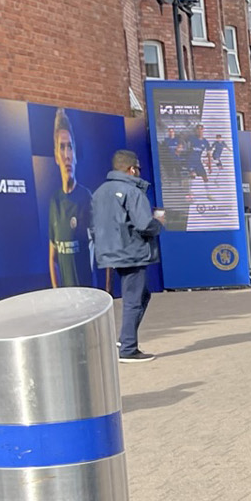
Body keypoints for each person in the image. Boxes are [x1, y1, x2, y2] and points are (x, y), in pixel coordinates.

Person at [90, 149, 166, 363]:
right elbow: (144, 224)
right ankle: (128, 348)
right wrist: (158, 222)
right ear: (132, 169)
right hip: (132, 251)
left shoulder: (99, 192)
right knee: (135, 298)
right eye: (138, 169)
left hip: (111, 251)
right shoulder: (132, 192)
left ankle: (125, 339)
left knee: (139, 296)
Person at [47, 108, 91, 287]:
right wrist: (57, 292)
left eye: (70, 147)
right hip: (66, 297)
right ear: (56, 156)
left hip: (88, 293)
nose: (66, 155)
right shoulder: (54, 201)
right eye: (62, 147)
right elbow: (52, 257)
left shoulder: (86, 197)